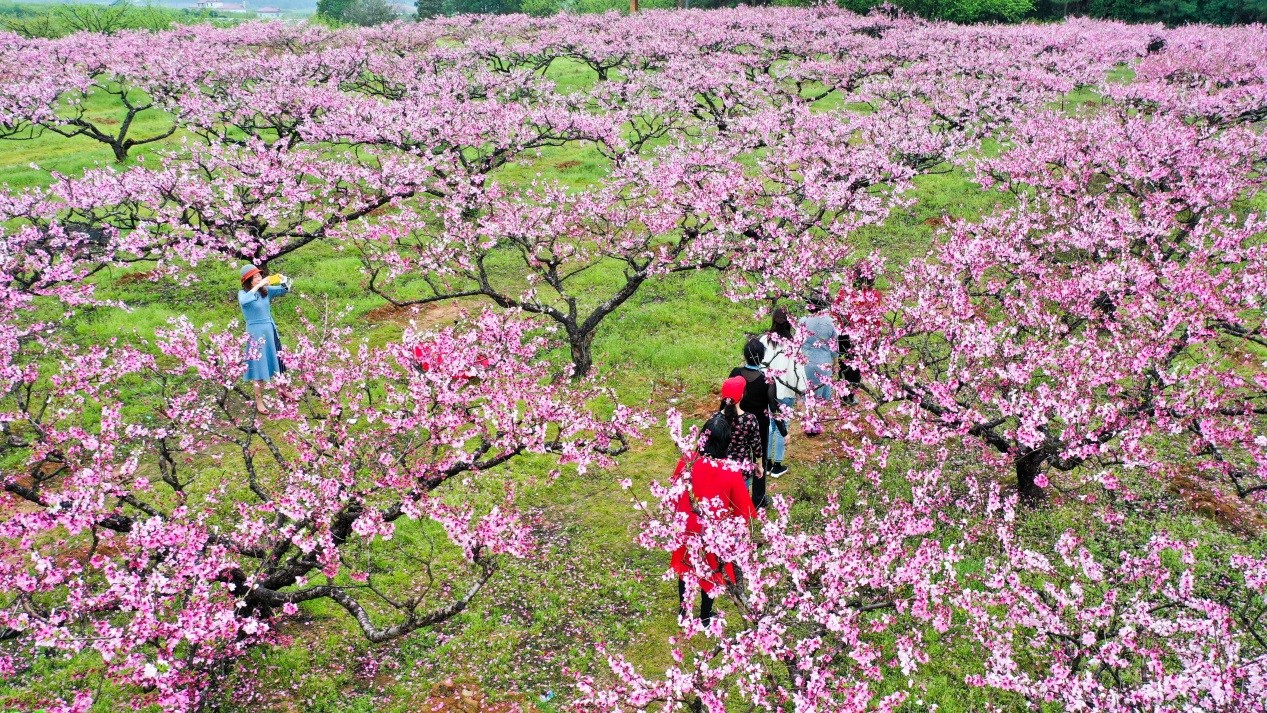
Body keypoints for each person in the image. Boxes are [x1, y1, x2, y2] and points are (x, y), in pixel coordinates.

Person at [670, 399, 756, 624]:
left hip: (687, 525)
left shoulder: (687, 461)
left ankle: (684, 612)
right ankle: (706, 616)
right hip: (714, 532)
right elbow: (741, 511)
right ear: (726, 444)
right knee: (711, 572)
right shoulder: (731, 471)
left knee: (687, 568)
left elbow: (674, 491)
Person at [729, 339, 779, 507]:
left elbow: (728, 397)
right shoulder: (767, 379)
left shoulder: (736, 372)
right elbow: (773, 406)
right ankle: (758, 499)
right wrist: (783, 430)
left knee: (736, 457)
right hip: (759, 426)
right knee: (760, 460)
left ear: (745, 355)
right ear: (763, 356)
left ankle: (736, 494)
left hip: (737, 424)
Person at [238, 264, 291, 415]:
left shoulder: (265, 292)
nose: (258, 279)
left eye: (259, 276)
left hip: (270, 331)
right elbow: (245, 301)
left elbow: (285, 289)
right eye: (254, 277)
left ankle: (283, 390)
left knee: (279, 363)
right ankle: (259, 401)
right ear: (248, 281)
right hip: (256, 336)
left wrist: (283, 279)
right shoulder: (243, 294)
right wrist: (259, 285)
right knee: (259, 369)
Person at [760, 308, 805, 477]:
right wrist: (801, 394)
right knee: (782, 426)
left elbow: (761, 364)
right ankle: (777, 465)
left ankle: (768, 461)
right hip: (786, 390)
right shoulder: (793, 343)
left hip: (767, 390)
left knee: (770, 426)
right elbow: (798, 369)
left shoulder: (765, 340)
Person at [834, 273, 883, 405]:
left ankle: (843, 395)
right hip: (863, 336)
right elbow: (876, 319)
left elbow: (836, 311)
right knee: (857, 366)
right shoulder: (874, 295)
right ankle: (850, 395)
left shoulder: (844, 292)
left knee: (844, 363)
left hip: (844, 333)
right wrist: (875, 337)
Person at [798, 293, 838, 424]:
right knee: (822, 397)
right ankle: (818, 422)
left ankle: (808, 423)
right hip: (824, 363)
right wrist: (836, 363)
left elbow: (798, 343)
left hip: (807, 363)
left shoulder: (802, 321)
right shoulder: (830, 322)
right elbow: (834, 347)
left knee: (808, 395)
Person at [721, 375, 763, 484]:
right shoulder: (749, 419)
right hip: (742, 470)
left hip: (721, 468)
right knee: (741, 500)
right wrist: (760, 465)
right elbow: (756, 447)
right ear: (742, 395)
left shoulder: (715, 419)